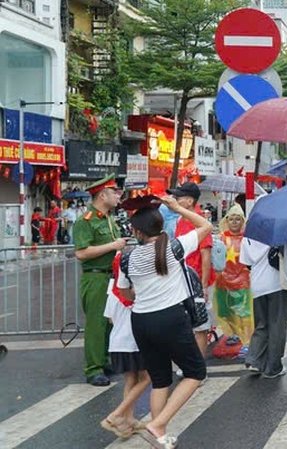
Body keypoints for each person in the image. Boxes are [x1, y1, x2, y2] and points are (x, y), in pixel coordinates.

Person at [116, 195, 212, 448]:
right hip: (170, 318)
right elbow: (206, 226)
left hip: (141, 321)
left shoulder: (127, 258)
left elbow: (125, 292)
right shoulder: (174, 248)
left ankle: (158, 436)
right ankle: (158, 425)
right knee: (195, 372)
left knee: (160, 379)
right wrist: (178, 208)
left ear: (137, 231)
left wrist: (144, 293)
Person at [73, 174, 127, 386]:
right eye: (114, 192)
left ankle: (104, 361)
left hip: (110, 277)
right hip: (95, 277)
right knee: (96, 324)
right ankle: (93, 368)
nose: (117, 195)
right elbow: (82, 253)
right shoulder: (85, 221)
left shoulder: (108, 219)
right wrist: (113, 246)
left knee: (107, 323)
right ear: (102, 195)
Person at [100, 249, 150, 439]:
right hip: (134, 342)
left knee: (131, 380)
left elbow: (110, 319)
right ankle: (117, 414)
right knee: (146, 378)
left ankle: (128, 422)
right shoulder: (135, 290)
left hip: (118, 342)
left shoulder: (112, 290)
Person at [168, 182, 214, 371]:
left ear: (189, 201)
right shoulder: (180, 220)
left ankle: (199, 369)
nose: (176, 200)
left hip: (197, 282)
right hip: (183, 281)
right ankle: (189, 365)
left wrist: (203, 286)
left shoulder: (198, 221)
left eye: (179, 197)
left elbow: (206, 254)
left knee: (200, 326)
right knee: (186, 326)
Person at [241, 236, 287, 378]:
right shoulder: (278, 233)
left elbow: (247, 263)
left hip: (257, 285)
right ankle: (273, 367)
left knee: (261, 323)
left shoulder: (248, 236)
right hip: (277, 283)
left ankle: (255, 360)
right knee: (277, 325)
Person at [215, 205, 254, 347]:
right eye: (232, 219)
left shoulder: (247, 239)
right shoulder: (220, 238)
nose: (235, 222)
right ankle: (232, 335)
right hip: (223, 281)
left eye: (238, 219)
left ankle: (246, 339)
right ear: (227, 220)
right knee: (226, 310)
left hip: (242, 281)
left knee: (243, 311)